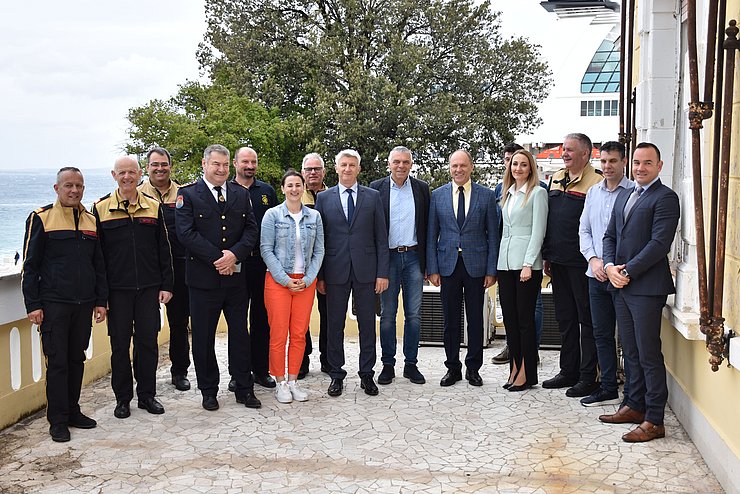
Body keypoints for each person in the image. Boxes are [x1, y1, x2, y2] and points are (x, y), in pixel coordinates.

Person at [601, 142, 680, 443]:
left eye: (648, 163)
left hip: (646, 288)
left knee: (648, 354)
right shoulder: (625, 196)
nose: (640, 168)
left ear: (660, 166)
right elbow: (610, 236)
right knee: (630, 352)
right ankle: (633, 405)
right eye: (636, 162)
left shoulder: (666, 198)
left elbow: (659, 245)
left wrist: (626, 271)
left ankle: (654, 419)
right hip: (620, 284)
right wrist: (609, 267)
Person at [22, 167, 108, 442]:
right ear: (56, 188)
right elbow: (30, 265)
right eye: (68, 185)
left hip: (83, 304)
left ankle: (73, 411)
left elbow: (99, 265)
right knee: (57, 362)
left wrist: (100, 300)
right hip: (54, 304)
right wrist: (33, 304)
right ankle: (57, 419)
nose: (74, 190)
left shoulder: (91, 220)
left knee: (76, 359)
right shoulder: (41, 218)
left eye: (79, 186)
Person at [176, 144, 261, 411]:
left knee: (240, 336)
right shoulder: (188, 194)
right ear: (204, 164)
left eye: (225, 165)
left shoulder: (239, 193)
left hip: (235, 281)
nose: (221, 169)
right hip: (203, 282)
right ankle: (208, 391)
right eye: (216, 164)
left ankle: (244, 388)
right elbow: (185, 233)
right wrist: (219, 258)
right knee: (203, 339)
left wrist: (234, 255)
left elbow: (251, 229)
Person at [93, 157, 173, 419]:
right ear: (114, 175)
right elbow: (98, 258)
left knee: (148, 343)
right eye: (122, 173)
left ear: (139, 174)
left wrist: (167, 284)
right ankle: (122, 398)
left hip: (149, 289)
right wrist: (101, 296)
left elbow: (164, 248)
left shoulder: (152, 206)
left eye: (132, 172)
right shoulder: (100, 208)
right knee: (119, 346)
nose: (127, 177)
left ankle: (147, 395)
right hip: (117, 292)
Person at [315, 149, 389, 397]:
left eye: (352, 165)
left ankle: (367, 374)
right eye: (343, 165)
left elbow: (381, 237)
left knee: (367, 324)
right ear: (335, 168)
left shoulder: (373, 196)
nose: (347, 169)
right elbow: (320, 240)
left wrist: (382, 273)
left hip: (366, 271)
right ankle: (336, 374)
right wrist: (321, 276)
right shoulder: (324, 199)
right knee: (334, 324)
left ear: (359, 169)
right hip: (335, 271)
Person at [427, 149, 499, 387]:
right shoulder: (437, 196)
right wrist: (432, 268)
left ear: (471, 167)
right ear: (450, 168)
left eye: (462, 166)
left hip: (476, 266)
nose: (458, 170)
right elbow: (431, 235)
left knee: (475, 319)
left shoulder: (486, 196)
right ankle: (452, 368)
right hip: (447, 265)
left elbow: (493, 235)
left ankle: (473, 368)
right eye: (454, 166)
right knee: (450, 320)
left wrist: (491, 270)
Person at [541, 133, 602, 397]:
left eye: (570, 150)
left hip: (583, 264)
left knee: (586, 320)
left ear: (586, 154)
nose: (564, 154)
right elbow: (550, 219)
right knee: (565, 319)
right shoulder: (555, 178)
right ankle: (568, 370)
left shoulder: (597, 182)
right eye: (564, 149)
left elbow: (596, 226)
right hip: (557, 260)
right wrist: (546, 255)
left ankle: (589, 376)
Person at [260, 170, 325, 403]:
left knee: (299, 334)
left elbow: (319, 251)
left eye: (298, 185)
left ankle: (293, 381)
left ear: (303, 187)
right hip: (279, 282)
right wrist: (285, 279)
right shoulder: (272, 215)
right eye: (290, 185)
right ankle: (279, 382)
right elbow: (266, 249)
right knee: (278, 334)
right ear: (283, 188)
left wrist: (308, 279)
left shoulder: (314, 217)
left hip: (305, 282)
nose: (294, 189)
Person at [578, 141, 633, 407]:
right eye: (604, 161)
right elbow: (584, 231)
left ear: (624, 162)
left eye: (613, 161)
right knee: (601, 334)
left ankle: (633, 395)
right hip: (596, 274)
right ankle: (608, 387)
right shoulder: (593, 193)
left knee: (628, 338)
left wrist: (614, 267)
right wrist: (594, 260)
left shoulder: (634, 192)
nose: (607, 166)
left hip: (623, 277)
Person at [369, 146, 430, 385]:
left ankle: (411, 365)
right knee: (387, 315)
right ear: (389, 163)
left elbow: (428, 227)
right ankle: (387, 364)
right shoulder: (376, 189)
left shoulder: (422, 189)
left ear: (411, 164)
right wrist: (377, 267)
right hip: (388, 259)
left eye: (405, 162)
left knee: (414, 315)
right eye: (397, 161)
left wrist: (429, 264)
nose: (401, 166)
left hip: (414, 258)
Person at [138, 147, 191, 392]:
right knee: (146, 328)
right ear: (146, 167)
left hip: (179, 268)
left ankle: (179, 371)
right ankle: (144, 379)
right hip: (147, 271)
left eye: (164, 164)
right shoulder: (136, 195)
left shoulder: (184, 194)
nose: (160, 168)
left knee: (179, 323)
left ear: (171, 166)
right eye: (155, 164)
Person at [497, 150, 548, 392]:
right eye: (514, 164)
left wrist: (529, 263)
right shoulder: (507, 194)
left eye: (523, 165)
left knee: (525, 320)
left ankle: (527, 373)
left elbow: (538, 232)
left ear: (531, 168)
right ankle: (514, 368)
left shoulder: (537, 194)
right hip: (505, 264)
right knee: (510, 320)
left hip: (526, 266)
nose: (517, 168)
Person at [231, 146, 279, 391]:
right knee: (237, 322)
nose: (249, 166)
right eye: (245, 161)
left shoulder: (267, 192)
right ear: (235, 163)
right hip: (236, 265)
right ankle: (237, 373)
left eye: (253, 162)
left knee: (262, 319)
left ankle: (261, 370)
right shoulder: (226, 191)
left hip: (262, 263)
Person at [299, 153, 330, 377]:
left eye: (317, 169)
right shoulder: (294, 195)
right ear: (302, 173)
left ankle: (328, 359)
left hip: (329, 266)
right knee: (301, 316)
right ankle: (302, 359)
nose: (313, 173)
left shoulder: (334, 195)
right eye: (309, 169)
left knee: (329, 315)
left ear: (324, 172)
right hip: (301, 267)